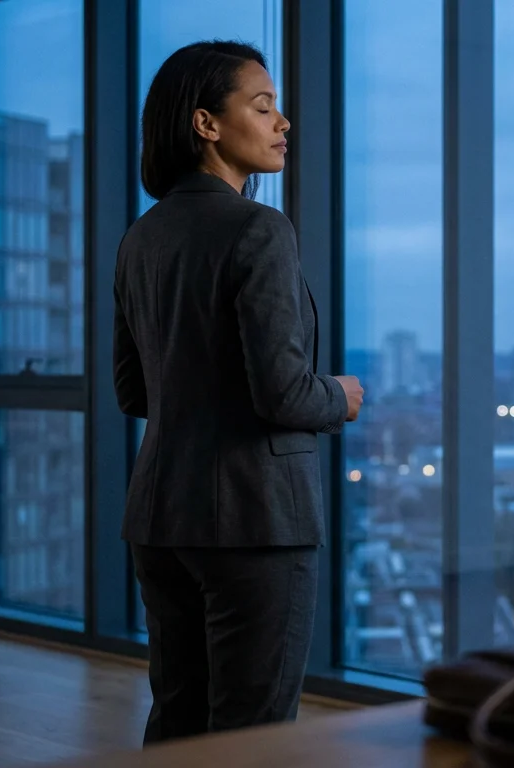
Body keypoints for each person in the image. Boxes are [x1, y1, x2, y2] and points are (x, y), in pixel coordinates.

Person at [113, 40, 364, 745]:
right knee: (253, 738)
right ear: (206, 124)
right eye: (263, 106)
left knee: (179, 723)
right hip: (256, 524)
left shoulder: (141, 238)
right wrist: (338, 396)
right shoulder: (259, 229)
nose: (282, 122)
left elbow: (134, 391)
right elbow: (286, 397)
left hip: (161, 518)